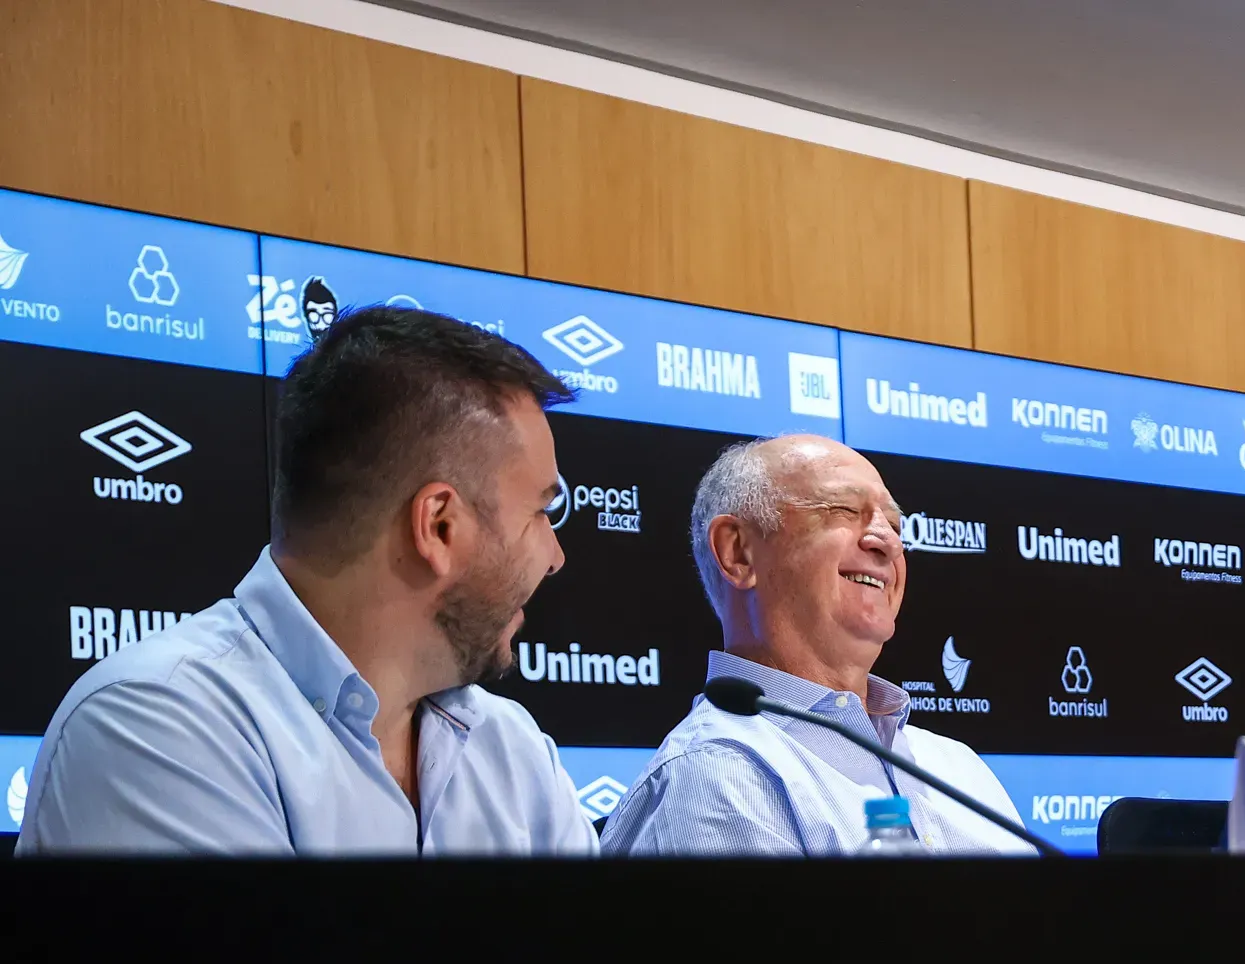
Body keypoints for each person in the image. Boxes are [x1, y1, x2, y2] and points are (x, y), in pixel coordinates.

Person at [17, 308, 595, 854]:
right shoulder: (154, 726)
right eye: (540, 514)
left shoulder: (511, 749)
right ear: (438, 526)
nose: (556, 556)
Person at [601, 435, 1030, 855]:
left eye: (895, 525)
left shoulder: (959, 767)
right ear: (739, 552)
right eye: (844, 510)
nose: (888, 541)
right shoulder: (717, 775)